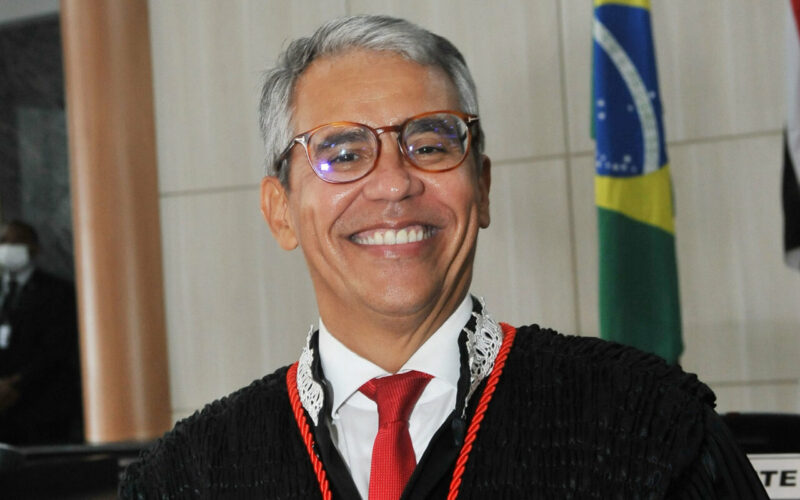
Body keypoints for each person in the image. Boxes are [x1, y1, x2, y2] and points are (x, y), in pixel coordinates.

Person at [121, 15, 767, 499]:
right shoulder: (185, 479)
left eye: (429, 145)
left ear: (481, 187)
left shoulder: (649, 427)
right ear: (280, 210)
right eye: (343, 153)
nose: (393, 184)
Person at [0, 220, 82, 445]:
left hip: (44, 406)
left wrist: (16, 383)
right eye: (3, 241)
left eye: (16, 241)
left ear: (34, 248)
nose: (7, 247)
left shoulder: (57, 292)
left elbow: (57, 348)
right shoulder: (3, 292)